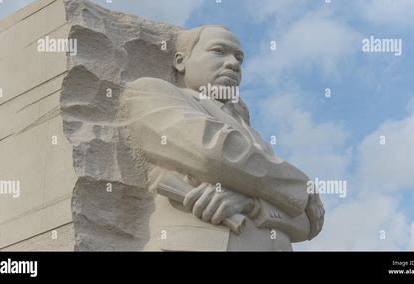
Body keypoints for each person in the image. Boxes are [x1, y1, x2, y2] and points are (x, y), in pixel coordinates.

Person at [120, 25, 324, 251]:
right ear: (180, 61)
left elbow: (309, 223)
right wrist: (302, 188)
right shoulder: (151, 93)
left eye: (239, 58)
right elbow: (213, 154)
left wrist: (253, 204)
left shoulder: (253, 136)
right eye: (219, 51)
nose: (234, 64)